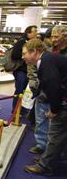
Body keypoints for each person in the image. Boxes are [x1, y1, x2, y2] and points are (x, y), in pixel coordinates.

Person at [23, 39, 67, 176]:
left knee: (55, 133)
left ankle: (46, 165)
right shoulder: (49, 59)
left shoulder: (46, 62)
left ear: (34, 52)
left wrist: (54, 110)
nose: (23, 57)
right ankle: (52, 157)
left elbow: (53, 87)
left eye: (25, 53)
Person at [29, 25, 67, 155]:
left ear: (65, 36)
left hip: (59, 94)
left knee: (56, 127)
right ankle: (41, 145)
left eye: (56, 36)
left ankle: (50, 155)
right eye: (52, 36)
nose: (53, 39)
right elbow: (35, 69)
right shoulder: (48, 50)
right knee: (41, 119)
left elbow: (54, 80)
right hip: (44, 91)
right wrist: (35, 84)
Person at [11, 25, 37, 111]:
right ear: (28, 33)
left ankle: (21, 109)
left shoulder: (32, 43)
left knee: (25, 91)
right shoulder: (21, 42)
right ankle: (15, 110)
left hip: (28, 70)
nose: (36, 33)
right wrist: (25, 56)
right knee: (19, 90)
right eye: (35, 31)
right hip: (20, 70)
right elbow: (14, 55)